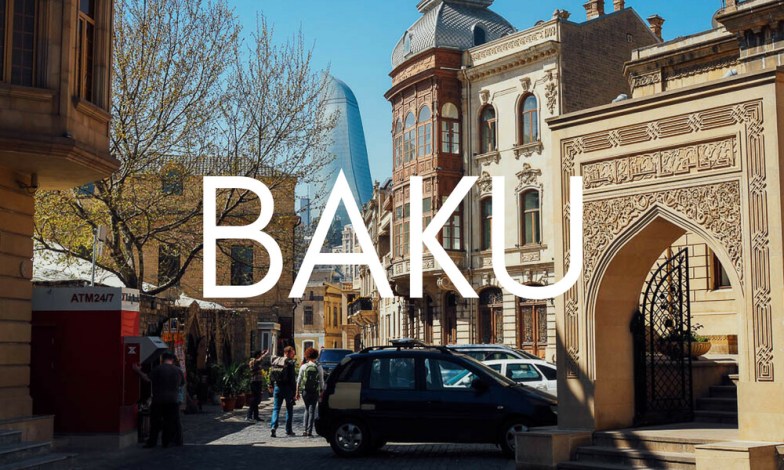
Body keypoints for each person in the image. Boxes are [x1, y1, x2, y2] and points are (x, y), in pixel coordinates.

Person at [134, 351, 185, 448]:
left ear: (162, 359)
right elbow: (182, 384)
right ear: (172, 360)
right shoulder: (178, 371)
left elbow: (147, 378)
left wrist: (137, 371)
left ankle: (152, 442)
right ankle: (166, 442)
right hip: (173, 400)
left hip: (159, 399)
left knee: (155, 422)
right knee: (169, 422)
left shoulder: (158, 369)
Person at [295, 347, 325, 437]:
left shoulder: (303, 366)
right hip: (314, 391)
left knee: (306, 409)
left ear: (307, 356)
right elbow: (321, 381)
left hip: (305, 391)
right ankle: (309, 431)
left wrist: (297, 392)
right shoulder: (319, 366)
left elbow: (299, 380)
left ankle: (304, 430)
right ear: (316, 356)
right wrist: (322, 391)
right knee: (312, 411)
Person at [268, 346, 297, 437]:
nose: (293, 354)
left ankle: (273, 427)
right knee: (289, 409)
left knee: (276, 409)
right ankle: (288, 430)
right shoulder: (290, 363)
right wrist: (294, 391)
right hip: (287, 388)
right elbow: (292, 379)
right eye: (292, 353)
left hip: (277, 387)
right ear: (288, 353)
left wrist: (270, 385)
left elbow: (271, 374)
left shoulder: (277, 360)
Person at [246, 349, 269, 422]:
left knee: (257, 399)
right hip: (255, 382)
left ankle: (256, 416)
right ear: (257, 355)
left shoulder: (256, 361)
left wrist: (262, 353)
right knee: (255, 399)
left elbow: (259, 360)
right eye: (259, 354)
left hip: (258, 382)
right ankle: (249, 415)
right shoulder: (253, 361)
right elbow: (258, 360)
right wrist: (265, 354)